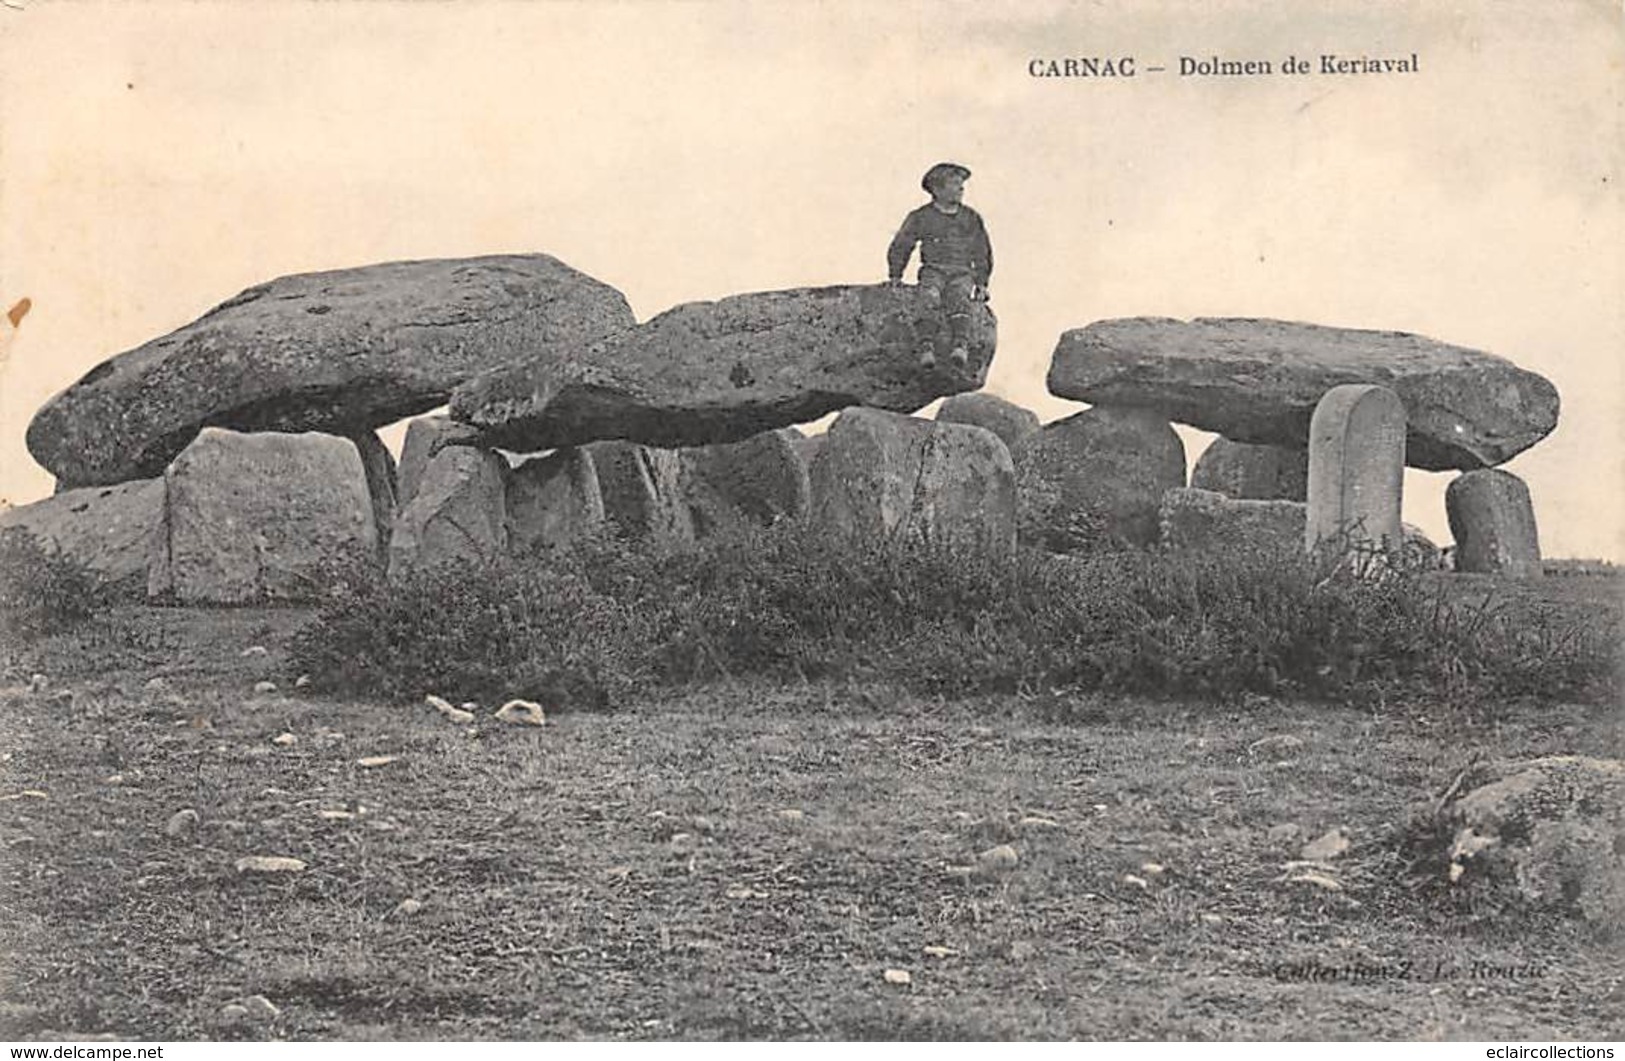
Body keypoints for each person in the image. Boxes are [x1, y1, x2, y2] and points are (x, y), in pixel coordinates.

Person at [886, 161, 993, 368]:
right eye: (954, 183)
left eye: (961, 184)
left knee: (959, 296)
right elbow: (902, 244)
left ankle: (960, 345)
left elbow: (982, 251)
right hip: (933, 268)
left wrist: (982, 283)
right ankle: (926, 346)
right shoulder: (921, 217)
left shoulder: (970, 218)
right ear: (937, 189)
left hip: (962, 272)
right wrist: (895, 275)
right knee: (929, 296)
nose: (961, 189)